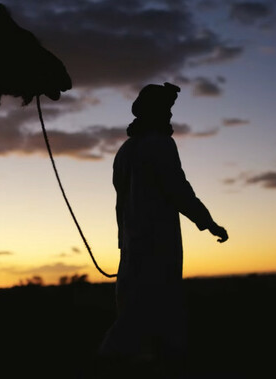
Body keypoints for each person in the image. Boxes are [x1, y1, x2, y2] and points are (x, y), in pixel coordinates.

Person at [97, 82, 228, 378]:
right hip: (157, 244)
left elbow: (122, 201)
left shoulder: (125, 151)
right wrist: (207, 222)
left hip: (131, 245)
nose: (170, 115)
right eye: (166, 109)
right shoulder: (159, 144)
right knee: (156, 309)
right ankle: (116, 362)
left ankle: (136, 362)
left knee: (134, 306)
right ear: (155, 112)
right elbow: (179, 190)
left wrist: (124, 243)